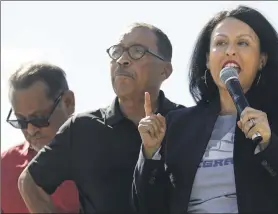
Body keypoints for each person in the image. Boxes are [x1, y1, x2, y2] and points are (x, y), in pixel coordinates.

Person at [133, 5, 278, 214]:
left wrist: (269, 146)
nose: (230, 51)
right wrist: (151, 154)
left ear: (262, 59)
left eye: (243, 43)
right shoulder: (178, 124)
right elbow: (146, 208)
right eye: (220, 43)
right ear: (207, 59)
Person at [18, 23, 185, 214]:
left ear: (165, 70)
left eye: (137, 51)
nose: (122, 59)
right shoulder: (82, 128)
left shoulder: (187, 124)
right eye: (117, 51)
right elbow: (30, 182)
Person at [1, 62, 80, 213]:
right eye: (21, 121)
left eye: (39, 118)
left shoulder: (106, 158)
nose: (30, 130)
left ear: (68, 102)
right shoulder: (4, 167)